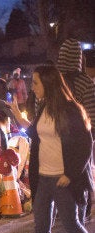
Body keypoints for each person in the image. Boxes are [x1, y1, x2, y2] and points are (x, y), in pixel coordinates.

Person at [11, 65, 95, 233]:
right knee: (41, 230)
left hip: (62, 180)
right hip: (44, 179)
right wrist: (18, 116)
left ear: (48, 84)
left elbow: (86, 144)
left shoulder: (71, 110)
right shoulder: (45, 106)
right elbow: (36, 134)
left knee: (71, 225)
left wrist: (71, 173)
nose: (32, 87)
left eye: (35, 83)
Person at [57, 38, 95, 222]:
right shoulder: (86, 82)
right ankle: (82, 215)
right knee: (82, 175)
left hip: (57, 140)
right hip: (80, 139)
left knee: (60, 177)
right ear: (79, 58)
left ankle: (66, 217)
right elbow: (92, 115)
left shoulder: (55, 81)